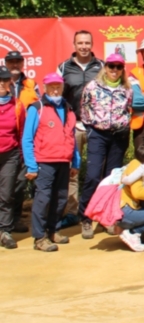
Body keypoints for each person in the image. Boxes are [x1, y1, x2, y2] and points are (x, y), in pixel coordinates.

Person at [21, 73, 80, 252]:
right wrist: (31, 165)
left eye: (58, 86)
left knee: (61, 198)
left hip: (63, 161)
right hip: (44, 161)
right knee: (43, 200)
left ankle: (53, 230)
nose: (55, 89)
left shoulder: (68, 108)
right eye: (52, 86)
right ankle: (39, 238)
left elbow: (72, 137)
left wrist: (75, 162)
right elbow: (27, 139)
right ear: (45, 88)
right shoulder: (36, 108)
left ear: (62, 88)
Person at [78, 53, 133, 240]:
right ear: (105, 67)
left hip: (119, 136)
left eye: (118, 67)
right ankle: (86, 217)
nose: (114, 70)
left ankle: (107, 217)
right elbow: (84, 108)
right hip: (98, 135)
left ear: (122, 69)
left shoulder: (127, 89)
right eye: (111, 66)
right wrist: (92, 128)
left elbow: (130, 109)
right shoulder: (92, 87)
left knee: (112, 178)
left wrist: (123, 124)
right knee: (93, 175)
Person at [58, 30, 104, 226]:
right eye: (80, 43)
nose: (84, 46)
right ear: (74, 45)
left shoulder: (101, 66)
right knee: (72, 171)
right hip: (73, 125)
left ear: (92, 44)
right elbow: (57, 95)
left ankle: (98, 211)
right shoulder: (63, 67)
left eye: (87, 43)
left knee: (99, 172)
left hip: (97, 126)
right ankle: (71, 212)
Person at [0, 66, 25, 248]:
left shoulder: (17, 105)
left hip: (10, 154)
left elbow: (22, 132)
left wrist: (23, 157)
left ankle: (5, 231)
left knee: (7, 194)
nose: (2, 83)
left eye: (5, 80)